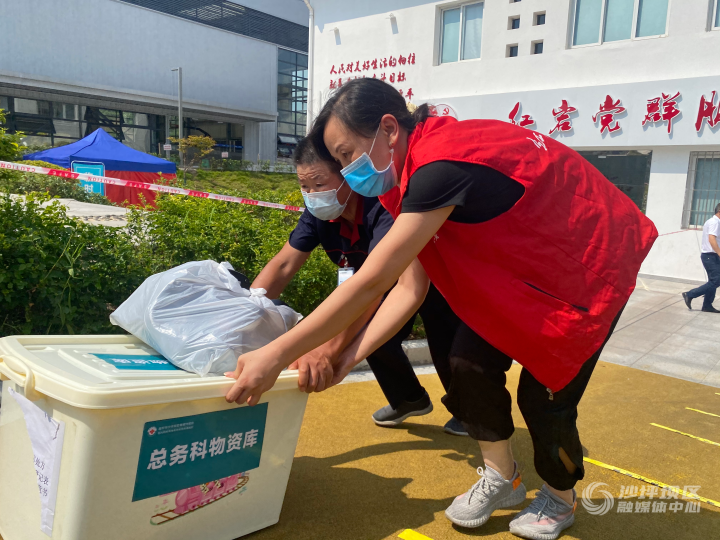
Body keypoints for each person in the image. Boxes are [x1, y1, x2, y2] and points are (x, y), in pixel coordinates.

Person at [224, 79, 657, 540]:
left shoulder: (441, 164)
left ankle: (559, 494)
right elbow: (408, 288)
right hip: (520, 271)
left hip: (585, 273)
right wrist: (347, 359)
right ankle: (503, 477)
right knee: (465, 364)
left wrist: (277, 354)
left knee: (545, 399)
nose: (348, 171)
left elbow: (372, 279)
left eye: (347, 154)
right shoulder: (404, 176)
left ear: (389, 129)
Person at [253, 137, 466, 434]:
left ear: (347, 176)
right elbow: (284, 265)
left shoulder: (384, 207)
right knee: (370, 336)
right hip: (376, 287)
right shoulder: (318, 216)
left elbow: (375, 284)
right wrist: (249, 312)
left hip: (426, 280)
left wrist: (326, 349)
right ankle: (408, 398)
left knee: (446, 340)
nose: (312, 194)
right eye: (304, 186)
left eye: (319, 183)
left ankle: (468, 411)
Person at [682, 204, 720, 313]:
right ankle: (690, 294)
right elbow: (711, 239)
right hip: (710, 256)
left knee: (713, 281)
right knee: (716, 280)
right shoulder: (715, 222)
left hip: (711, 256)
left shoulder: (713, 222)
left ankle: (707, 305)